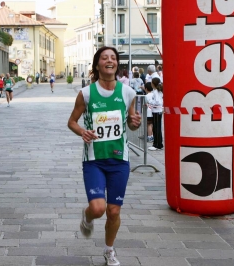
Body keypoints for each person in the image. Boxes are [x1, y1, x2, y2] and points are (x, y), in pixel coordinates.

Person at [67, 46, 141, 266]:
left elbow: (131, 124)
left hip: (119, 160)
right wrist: (83, 131)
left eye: (113, 58)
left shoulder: (128, 93)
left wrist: (134, 123)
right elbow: (72, 121)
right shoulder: (87, 93)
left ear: (117, 64)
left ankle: (109, 250)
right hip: (94, 160)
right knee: (99, 209)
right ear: (97, 64)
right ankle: (88, 215)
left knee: (114, 210)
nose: (110, 61)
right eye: (104, 58)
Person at [147, 77, 164, 151]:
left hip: (157, 111)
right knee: (157, 128)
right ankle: (158, 144)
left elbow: (158, 102)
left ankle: (157, 144)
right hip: (156, 111)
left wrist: (150, 102)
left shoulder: (156, 91)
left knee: (157, 128)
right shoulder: (156, 91)